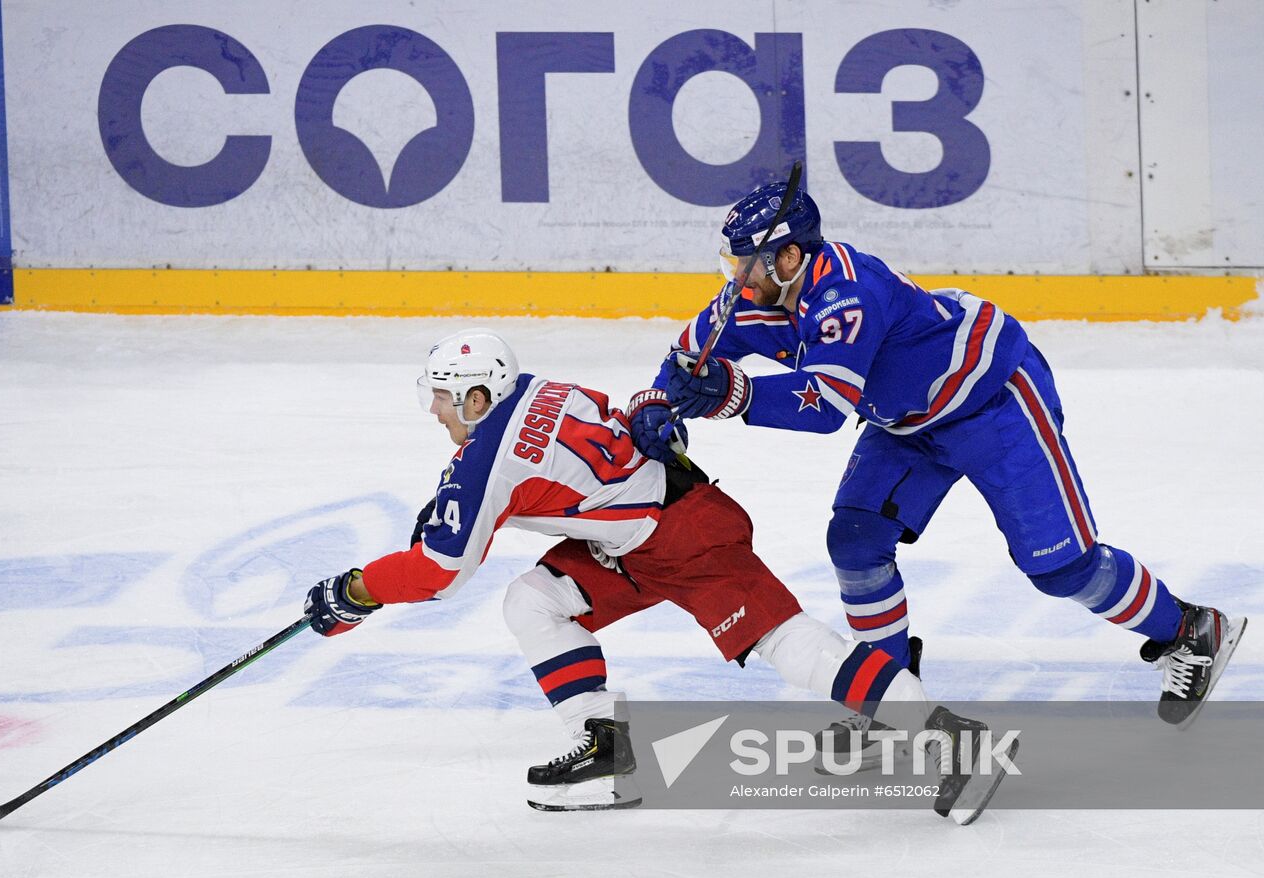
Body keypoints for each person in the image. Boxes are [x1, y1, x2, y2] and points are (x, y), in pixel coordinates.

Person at [302, 327, 1008, 821]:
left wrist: (356, 591)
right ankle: (606, 748)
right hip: (641, 531)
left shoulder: (486, 460)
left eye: (445, 396)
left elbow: (439, 573)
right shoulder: (544, 388)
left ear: (480, 398)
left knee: (788, 644)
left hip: (686, 537)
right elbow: (575, 458)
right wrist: (458, 501)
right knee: (535, 600)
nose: (435, 409)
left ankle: (951, 736)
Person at [637, 180, 1246, 742]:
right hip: (903, 419)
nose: (734, 276)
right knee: (854, 541)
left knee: (1062, 569)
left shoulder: (847, 293)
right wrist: (656, 404)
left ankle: (1188, 628)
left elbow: (823, 408)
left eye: (746, 262)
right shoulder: (746, 296)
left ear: (789, 257)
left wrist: (733, 393)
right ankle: (892, 700)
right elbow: (686, 356)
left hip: (991, 402)